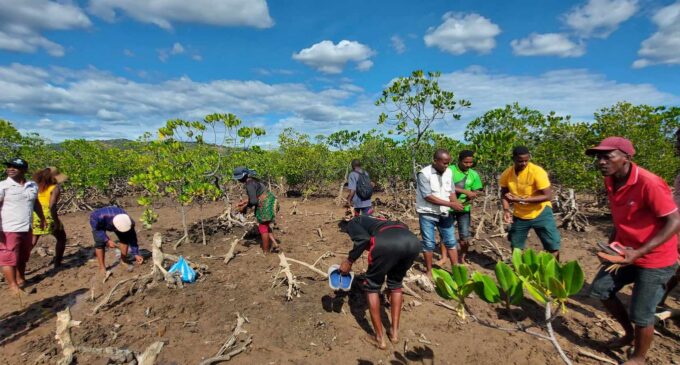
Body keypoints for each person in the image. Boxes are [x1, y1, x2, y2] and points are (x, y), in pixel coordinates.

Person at [586, 137, 679, 365]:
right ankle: (628, 335)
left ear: (627, 157)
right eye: (599, 156)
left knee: (642, 313)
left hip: (656, 258)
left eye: (608, 156)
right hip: (626, 253)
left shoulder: (649, 183)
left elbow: (674, 222)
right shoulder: (610, 180)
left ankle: (638, 357)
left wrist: (639, 252)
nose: (601, 161)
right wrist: (612, 244)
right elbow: (622, 218)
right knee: (600, 290)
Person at [338, 215, 420, 349]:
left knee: (372, 287)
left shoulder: (353, 222)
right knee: (395, 285)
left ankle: (379, 338)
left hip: (385, 244)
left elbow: (363, 239)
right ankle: (394, 333)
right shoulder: (381, 221)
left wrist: (349, 261)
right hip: (412, 243)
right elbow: (402, 231)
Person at [500, 146, 561, 258]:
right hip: (520, 214)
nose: (524, 163)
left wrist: (521, 199)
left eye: (526, 160)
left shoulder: (537, 171)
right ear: (513, 159)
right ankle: (519, 271)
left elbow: (548, 196)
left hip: (541, 211)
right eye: (520, 161)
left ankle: (553, 270)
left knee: (552, 246)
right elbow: (503, 193)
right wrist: (506, 210)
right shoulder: (507, 173)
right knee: (516, 246)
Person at [416, 149, 464, 277]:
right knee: (429, 243)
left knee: (451, 241)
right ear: (435, 161)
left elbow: (451, 191)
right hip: (427, 213)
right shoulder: (424, 174)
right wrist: (450, 204)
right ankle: (429, 271)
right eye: (444, 163)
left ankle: (456, 271)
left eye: (448, 163)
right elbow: (427, 196)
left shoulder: (448, 172)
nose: (447, 166)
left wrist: (456, 203)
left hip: (444, 213)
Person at [0, 158, 45, 295]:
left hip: (27, 226)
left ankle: (20, 279)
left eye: (15, 167)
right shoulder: (3, 186)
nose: (10, 169)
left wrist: (42, 217)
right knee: (8, 256)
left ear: (24, 170)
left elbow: (35, 202)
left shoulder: (32, 185)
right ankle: (12, 285)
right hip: (8, 228)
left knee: (23, 256)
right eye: (9, 166)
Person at [438, 150, 483, 264]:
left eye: (470, 162)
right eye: (465, 162)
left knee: (465, 236)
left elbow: (477, 189)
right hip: (448, 206)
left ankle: (461, 257)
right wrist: (464, 191)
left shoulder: (473, 174)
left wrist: (474, 194)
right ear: (459, 161)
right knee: (445, 233)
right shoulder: (449, 170)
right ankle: (444, 257)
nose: (468, 165)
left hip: (464, 208)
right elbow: (444, 185)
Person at [233, 167, 280, 254]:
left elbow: (254, 201)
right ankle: (275, 244)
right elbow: (257, 195)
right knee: (266, 225)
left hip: (265, 204)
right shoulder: (253, 180)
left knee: (262, 227)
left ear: (244, 176)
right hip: (271, 201)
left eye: (239, 178)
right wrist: (244, 202)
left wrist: (244, 208)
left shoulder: (249, 184)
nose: (238, 180)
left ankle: (266, 251)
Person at [32, 167, 68, 269]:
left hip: (35, 214)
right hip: (47, 214)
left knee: (33, 240)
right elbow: (52, 206)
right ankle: (57, 263)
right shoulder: (54, 188)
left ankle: (20, 262)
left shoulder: (37, 187)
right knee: (61, 238)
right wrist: (56, 221)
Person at [90, 206, 143, 274]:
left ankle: (123, 261)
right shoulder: (98, 217)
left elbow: (132, 238)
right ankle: (102, 267)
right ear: (115, 227)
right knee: (99, 243)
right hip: (98, 222)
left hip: (115, 219)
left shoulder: (129, 222)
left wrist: (136, 253)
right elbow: (98, 230)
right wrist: (107, 240)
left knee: (125, 239)